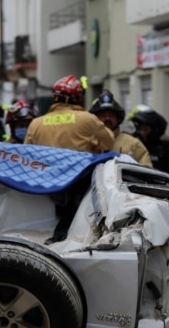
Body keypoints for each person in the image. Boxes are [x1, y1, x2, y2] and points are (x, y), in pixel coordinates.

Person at [25, 75, 114, 243]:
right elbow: (108, 141)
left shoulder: (36, 124)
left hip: (44, 187)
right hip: (79, 187)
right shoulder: (88, 119)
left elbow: (27, 154)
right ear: (78, 98)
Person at [90, 91, 151, 166]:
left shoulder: (133, 144)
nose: (107, 118)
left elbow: (147, 169)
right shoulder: (88, 142)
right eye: (103, 115)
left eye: (111, 115)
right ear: (95, 118)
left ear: (118, 118)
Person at [129, 105, 169, 174]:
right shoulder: (135, 145)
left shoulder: (165, 149)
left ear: (154, 131)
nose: (142, 133)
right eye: (141, 129)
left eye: (145, 130)